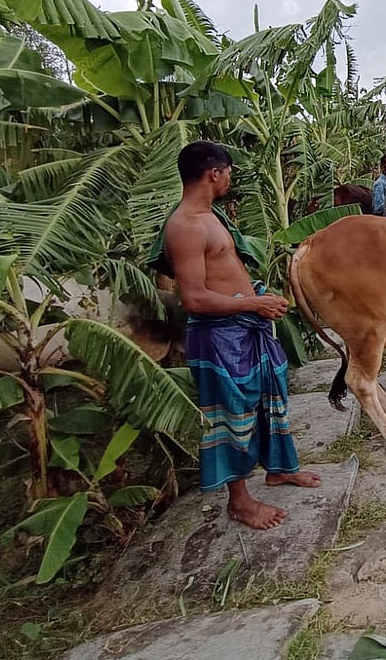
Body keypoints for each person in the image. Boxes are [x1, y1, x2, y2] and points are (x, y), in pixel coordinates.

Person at [154, 140, 321, 530]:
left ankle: (279, 468)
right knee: (232, 414)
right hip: (220, 338)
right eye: (229, 172)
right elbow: (193, 298)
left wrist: (257, 297)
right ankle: (240, 502)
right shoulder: (186, 227)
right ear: (215, 173)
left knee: (267, 400)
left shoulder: (211, 216)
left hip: (244, 329)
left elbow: (223, 274)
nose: (230, 179)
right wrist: (252, 305)